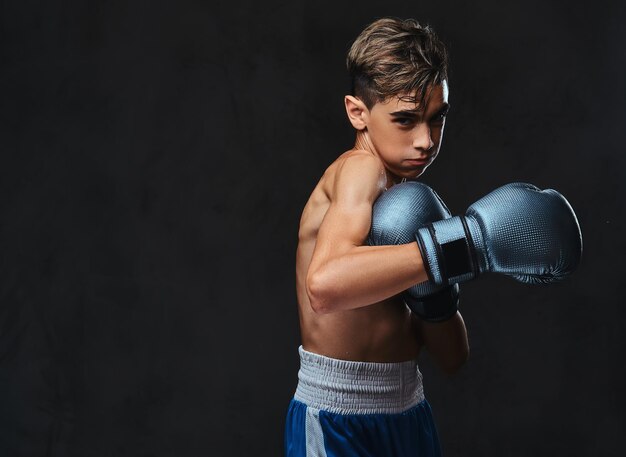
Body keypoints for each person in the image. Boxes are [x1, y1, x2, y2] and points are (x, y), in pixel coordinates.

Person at [284, 17, 581, 457]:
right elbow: (325, 285)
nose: (426, 140)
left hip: (407, 406)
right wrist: (469, 241)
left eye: (436, 119)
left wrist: (435, 292)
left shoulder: (406, 203)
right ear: (357, 112)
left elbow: (452, 357)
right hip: (337, 415)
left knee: (410, 219)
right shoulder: (358, 170)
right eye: (405, 120)